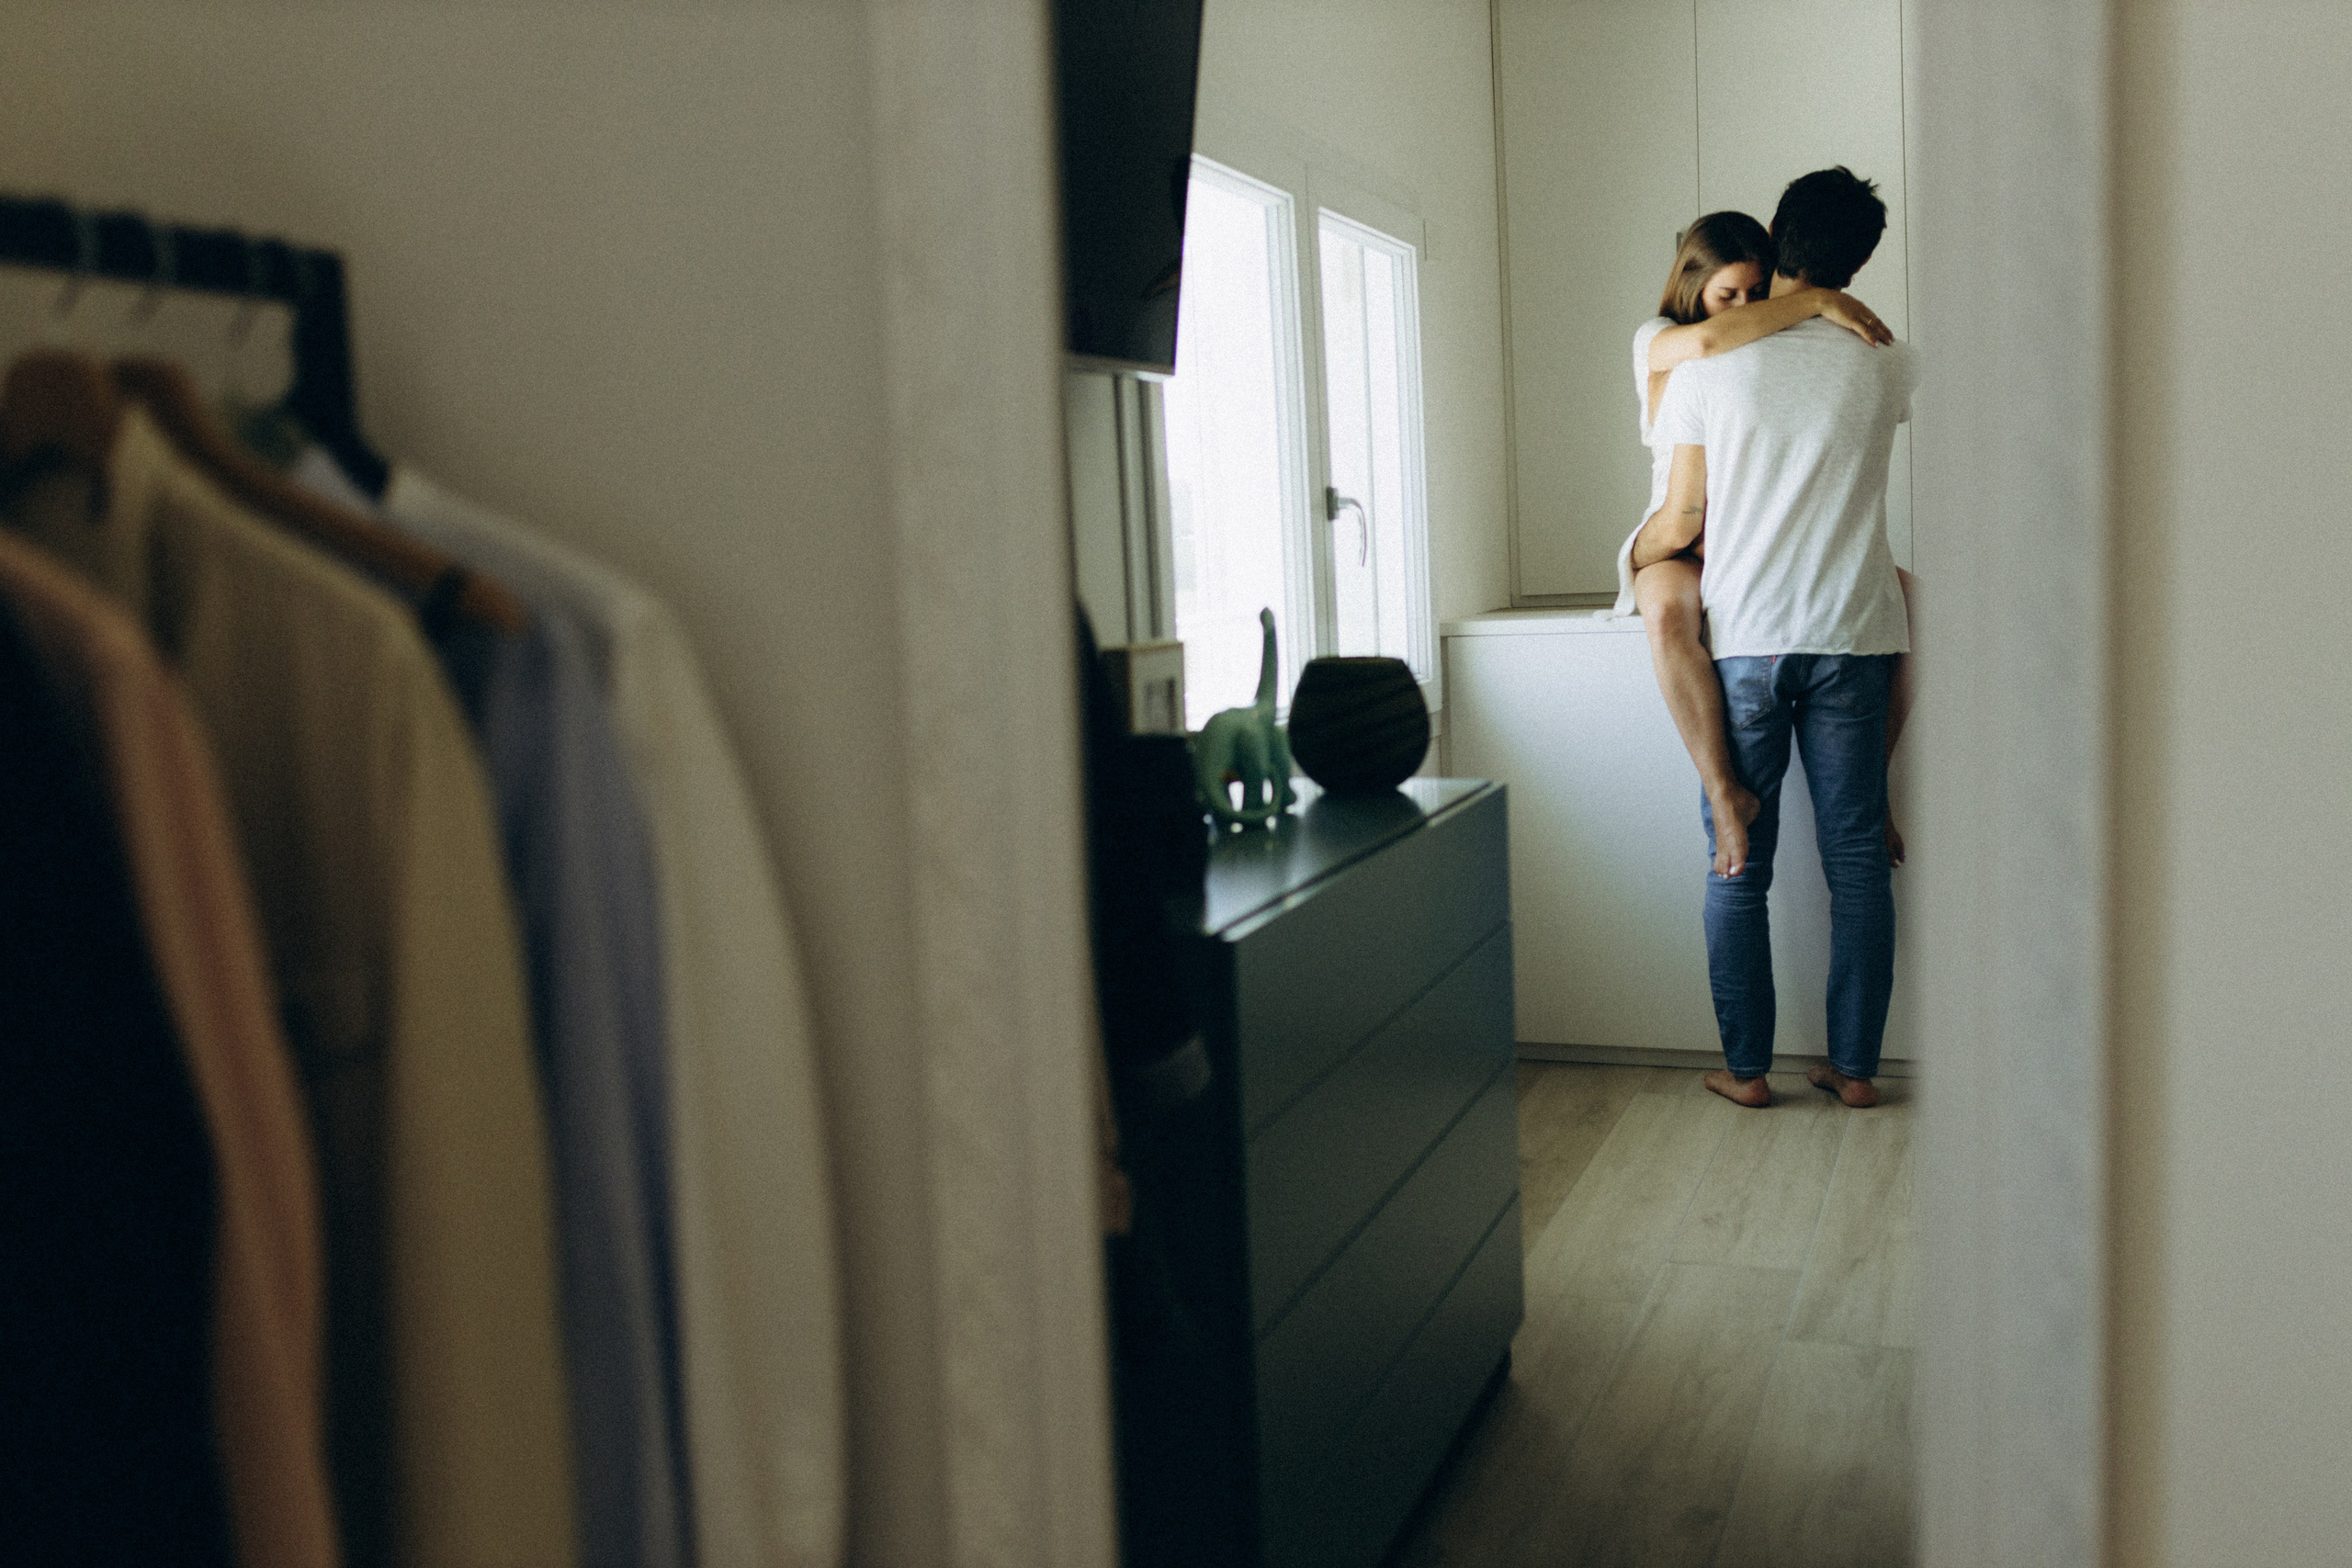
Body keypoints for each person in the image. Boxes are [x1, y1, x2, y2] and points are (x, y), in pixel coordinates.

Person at [1629, 167, 1919, 1111]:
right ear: (1858, 258)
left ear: (1776, 241)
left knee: (1737, 856)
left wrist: (1639, 558)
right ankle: (1855, 1071)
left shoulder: (1710, 365)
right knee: (1857, 871)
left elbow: (1683, 512)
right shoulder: (1886, 360)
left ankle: (1746, 1071)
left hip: (1749, 633)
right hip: (1853, 631)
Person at [1611, 210, 1917, 879]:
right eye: (1731, 293)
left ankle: (1875, 780)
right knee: (1666, 611)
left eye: (1757, 291)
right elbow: (1713, 340)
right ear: (1694, 284)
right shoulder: (1661, 337)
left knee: (1911, 601)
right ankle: (1722, 790)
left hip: (1745, 528)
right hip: (1676, 533)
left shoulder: (1755, 340)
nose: (1749, 308)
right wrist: (1814, 300)